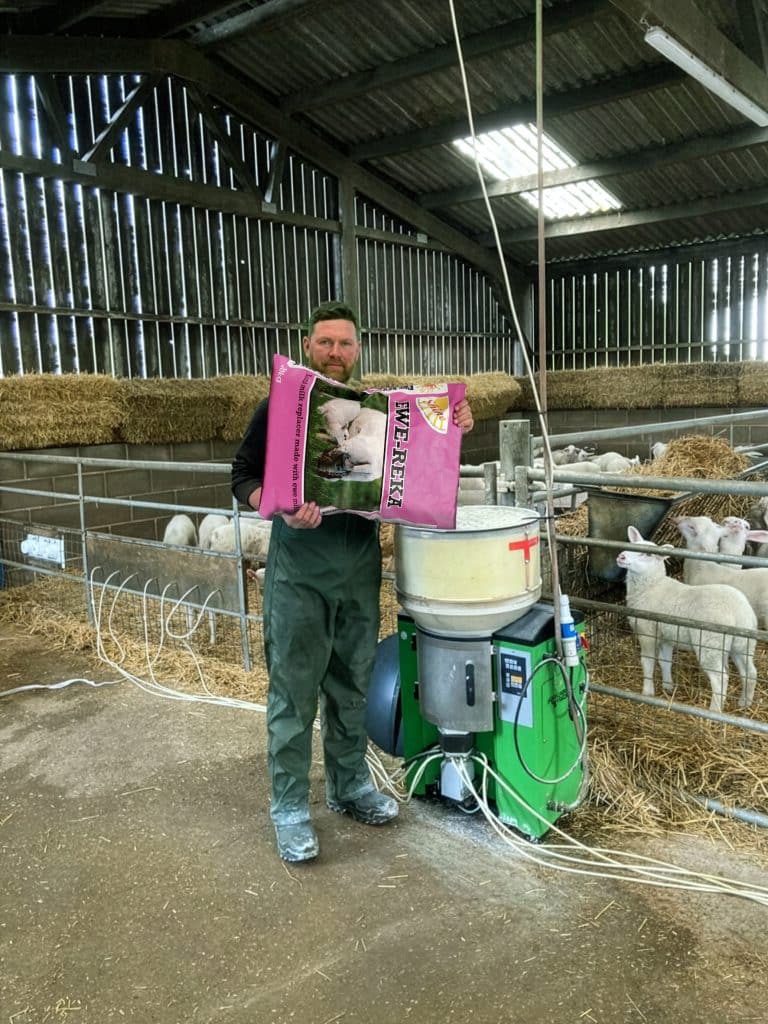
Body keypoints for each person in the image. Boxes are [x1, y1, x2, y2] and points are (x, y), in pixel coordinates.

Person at [231, 300, 474, 863]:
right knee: (294, 692)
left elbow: (422, 465)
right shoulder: (282, 406)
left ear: (358, 349)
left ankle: (348, 785)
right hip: (300, 566)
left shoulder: (381, 413)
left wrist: (456, 421)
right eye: (324, 343)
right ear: (308, 346)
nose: (335, 353)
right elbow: (241, 474)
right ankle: (290, 807)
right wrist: (275, 505)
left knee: (350, 684)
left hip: (358, 563)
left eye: (344, 344)